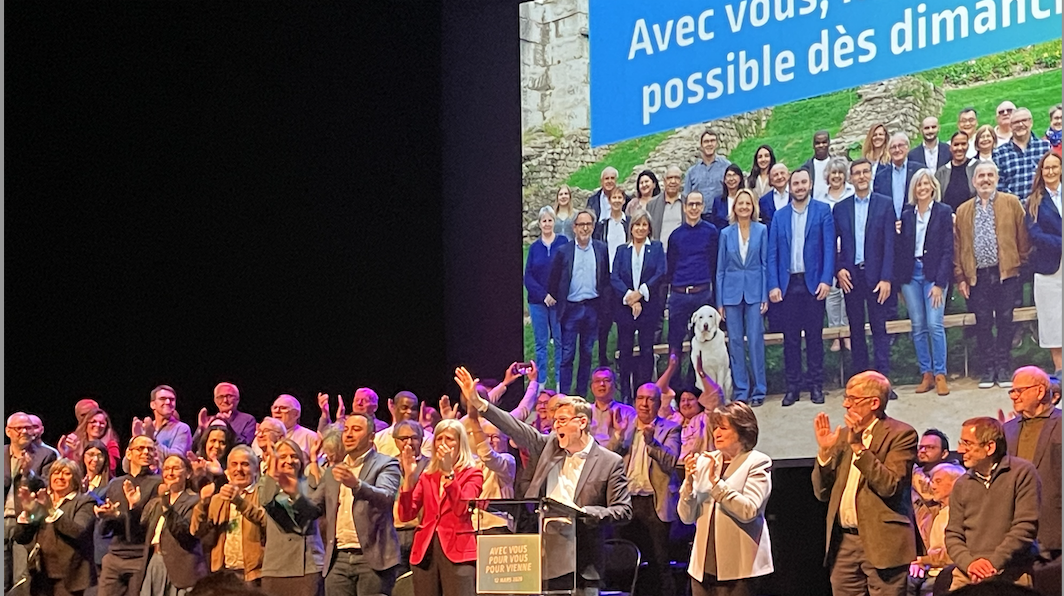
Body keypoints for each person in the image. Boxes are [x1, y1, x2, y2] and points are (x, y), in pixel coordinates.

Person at [458, 366, 632, 596]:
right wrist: (480, 404)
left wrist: (586, 513)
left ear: (581, 422)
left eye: (561, 420)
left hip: (582, 561)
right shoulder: (549, 445)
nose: (555, 425)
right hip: (540, 555)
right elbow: (515, 427)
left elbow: (623, 510)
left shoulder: (610, 462)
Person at [811, 371, 918, 596]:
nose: (845, 404)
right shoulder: (842, 436)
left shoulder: (901, 434)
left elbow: (889, 485)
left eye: (852, 399)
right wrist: (824, 453)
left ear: (874, 403)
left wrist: (859, 447)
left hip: (883, 543)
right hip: (844, 542)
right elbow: (822, 493)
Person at [678, 402, 773, 596]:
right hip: (702, 568)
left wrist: (716, 484)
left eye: (723, 428)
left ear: (742, 430)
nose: (717, 433)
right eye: (715, 428)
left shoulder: (757, 462)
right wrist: (688, 484)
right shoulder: (706, 461)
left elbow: (749, 511)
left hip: (740, 569)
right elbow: (687, 517)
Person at [953, 161, 1031, 389]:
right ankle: (988, 368)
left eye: (990, 175)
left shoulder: (1012, 203)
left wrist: (1020, 266)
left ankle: (1004, 366)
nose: (985, 179)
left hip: (1006, 273)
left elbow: (1023, 238)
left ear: (996, 178)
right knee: (983, 322)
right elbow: (959, 247)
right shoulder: (964, 210)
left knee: (1006, 320)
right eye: (981, 176)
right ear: (974, 180)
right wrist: (960, 277)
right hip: (977, 276)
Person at [312, 413, 402, 596]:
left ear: (371, 437)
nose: (349, 434)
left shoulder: (386, 463)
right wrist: (291, 494)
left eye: (356, 429)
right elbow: (314, 508)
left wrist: (357, 485)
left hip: (372, 559)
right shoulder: (333, 471)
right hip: (338, 559)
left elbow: (386, 496)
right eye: (346, 430)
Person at [946, 417, 1039, 590]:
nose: (960, 450)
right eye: (960, 443)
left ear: (989, 447)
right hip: (968, 575)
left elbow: (1025, 526)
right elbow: (953, 534)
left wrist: (993, 563)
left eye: (967, 443)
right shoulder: (962, 484)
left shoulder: (1022, 473)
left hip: (1012, 573)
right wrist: (970, 564)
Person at [767, 168, 835, 406]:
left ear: (810, 184)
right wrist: (773, 284)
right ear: (790, 186)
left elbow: (829, 249)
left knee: (814, 338)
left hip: (813, 283)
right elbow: (772, 252)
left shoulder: (822, 211)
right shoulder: (779, 216)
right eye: (795, 183)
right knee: (791, 340)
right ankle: (793, 387)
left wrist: (827, 279)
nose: (799, 186)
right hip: (788, 285)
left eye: (803, 182)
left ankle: (816, 385)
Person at [397, 419, 483, 596]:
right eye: (439, 439)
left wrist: (449, 475)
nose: (443, 443)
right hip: (426, 551)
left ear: (461, 443)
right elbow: (406, 515)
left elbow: (461, 509)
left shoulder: (472, 473)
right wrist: (408, 478)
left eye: (450, 439)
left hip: (458, 552)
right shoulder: (428, 475)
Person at [615, 383, 681, 596]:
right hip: (628, 501)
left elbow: (670, 462)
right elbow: (608, 458)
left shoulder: (670, 428)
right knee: (623, 559)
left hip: (655, 501)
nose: (644, 404)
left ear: (658, 402)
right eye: (640, 398)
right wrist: (617, 436)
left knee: (659, 560)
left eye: (650, 399)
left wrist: (652, 442)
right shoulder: (626, 427)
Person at [896, 165, 955, 397]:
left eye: (926, 183)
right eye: (918, 184)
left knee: (934, 323)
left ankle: (940, 374)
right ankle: (926, 373)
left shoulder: (943, 211)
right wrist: (900, 281)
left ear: (933, 187)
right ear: (914, 189)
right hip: (911, 275)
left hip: (934, 275)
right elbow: (901, 250)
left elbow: (947, 251)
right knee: (918, 325)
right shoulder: (907, 215)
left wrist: (940, 284)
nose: (922, 187)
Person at [835, 159, 896, 378]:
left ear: (870, 175)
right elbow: (833, 244)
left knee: (880, 329)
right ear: (850, 178)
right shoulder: (841, 208)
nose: (861, 176)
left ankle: (883, 380)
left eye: (865, 172)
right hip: (851, 277)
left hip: (877, 277)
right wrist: (838, 269)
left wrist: (887, 278)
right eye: (857, 173)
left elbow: (890, 244)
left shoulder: (885, 204)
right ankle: (860, 380)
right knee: (856, 330)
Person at [1002, 367, 1062, 575]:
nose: (1014, 396)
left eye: (1020, 390)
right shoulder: (1006, 430)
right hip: (1014, 535)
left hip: (1055, 531)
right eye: (1012, 391)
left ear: (1039, 391)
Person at [548, 209, 610, 396]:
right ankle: (565, 396)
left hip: (592, 308)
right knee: (567, 355)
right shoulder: (563, 251)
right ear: (574, 228)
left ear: (593, 227)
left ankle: (581, 396)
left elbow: (605, 279)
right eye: (581, 225)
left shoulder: (601, 249)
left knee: (587, 354)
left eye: (588, 224)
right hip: (571, 309)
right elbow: (555, 278)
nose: (585, 228)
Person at [12, 458, 97, 596]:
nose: (60, 477)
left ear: (75, 479)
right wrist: (28, 514)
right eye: (56, 473)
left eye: (66, 473)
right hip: (41, 575)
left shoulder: (85, 502)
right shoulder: (42, 501)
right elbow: (21, 538)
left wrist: (51, 510)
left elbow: (79, 532)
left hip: (69, 577)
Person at [715, 189, 768, 405]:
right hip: (731, 292)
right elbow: (720, 269)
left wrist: (765, 294)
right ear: (734, 207)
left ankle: (759, 389)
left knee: (755, 340)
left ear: (753, 206)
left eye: (748, 203)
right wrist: (720, 302)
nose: (744, 207)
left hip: (755, 291)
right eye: (740, 203)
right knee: (735, 342)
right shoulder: (726, 233)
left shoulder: (762, 230)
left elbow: (765, 264)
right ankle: (741, 390)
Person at [95, 436, 163, 596]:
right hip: (115, 556)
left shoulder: (158, 484)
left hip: (140, 556)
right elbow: (105, 530)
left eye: (150, 449)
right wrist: (106, 516)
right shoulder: (116, 483)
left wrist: (131, 508)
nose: (146, 452)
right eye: (140, 448)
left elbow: (145, 526)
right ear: (129, 453)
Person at [257, 439, 325, 596]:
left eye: (294, 456)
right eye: (283, 457)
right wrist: (272, 476)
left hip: (308, 565)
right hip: (276, 566)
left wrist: (295, 493)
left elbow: (312, 512)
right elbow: (267, 502)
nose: (289, 461)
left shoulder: (310, 483)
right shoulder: (266, 483)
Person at [190, 445, 265, 587]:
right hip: (224, 572)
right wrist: (203, 504)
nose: (239, 469)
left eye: (245, 464)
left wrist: (239, 501)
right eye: (234, 465)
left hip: (255, 573)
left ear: (256, 470)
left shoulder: (263, 494)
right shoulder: (218, 499)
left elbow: (266, 522)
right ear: (228, 471)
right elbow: (197, 531)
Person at [611, 211, 667, 402]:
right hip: (626, 309)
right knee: (625, 351)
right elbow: (615, 277)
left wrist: (641, 293)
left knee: (646, 351)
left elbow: (661, 272)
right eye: (637, 225)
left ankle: (644, 394)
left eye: (644, 225)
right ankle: (626, 393)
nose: (641, 228)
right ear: (631, 228)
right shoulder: (622, 250)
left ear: (649, 228)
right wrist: (630, 297)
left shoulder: (657, 248)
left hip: (648, 307)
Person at [137, 454, 208, 596]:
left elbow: (184, 533)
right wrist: (134, 507)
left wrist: (166, 504)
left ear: (188, 473)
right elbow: (139, 531)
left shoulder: (194, 501)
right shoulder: (156, 503)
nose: (170, 473)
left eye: (175, 468)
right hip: (155, 562)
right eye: (167, 469)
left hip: (180, 566)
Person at [666, 191, 719, 377]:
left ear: (703, 207)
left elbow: (714, 264)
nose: (694, 208)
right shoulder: (675, 236)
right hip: (679, 295)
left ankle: (695, 386)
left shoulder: (711, 232)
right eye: (691, 204)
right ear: (685, 207)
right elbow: (670, 267)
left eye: (698, 204)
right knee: (675, 344)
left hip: (702, 294)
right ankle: (674, 388)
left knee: (701, 344)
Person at [6, 412, 61, 592]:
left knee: (21, 580)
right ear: (8, 431)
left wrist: (28, 473)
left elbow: (48, 487)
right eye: (18, 428)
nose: (24, 431)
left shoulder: (46, 455)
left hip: (28, 523)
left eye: (28, 427)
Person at [1025, 152, 1063, 375]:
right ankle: (1060, 369)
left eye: (1054, 167)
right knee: (1051, 318)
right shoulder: (1034, 201)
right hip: (1048, 266)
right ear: (1041, 171)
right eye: (1046, 168)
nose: (1050, 172)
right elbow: (1035, 234)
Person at [816, 156, 856, 353]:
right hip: (828, 250)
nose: (837, 176)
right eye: (833, 173)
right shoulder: (821, 198)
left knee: (847, 291)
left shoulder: (852, 193)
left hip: (849, 250)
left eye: (840, 173)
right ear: (827, 176)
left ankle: (847, 333)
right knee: (832, 294)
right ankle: (835, 334)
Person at [908, 463, 966, 596]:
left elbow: (954, 553)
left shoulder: (963, 515)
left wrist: (924, 560)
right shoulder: (934, 513)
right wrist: (920, 562)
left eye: (938, 481)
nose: (933, 486)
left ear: (956, 483)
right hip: (930, 571)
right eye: (932, 481)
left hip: (949, 573)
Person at [462, 407, 516, 535]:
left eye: (495, 437)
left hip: (498, 524)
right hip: (472, 525)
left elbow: (489, 457)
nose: (490, 441)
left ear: (505, 440)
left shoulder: (508, 461)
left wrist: (474, 421)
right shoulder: (471, 463)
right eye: (486, 437)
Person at [593, 186, 629, 366]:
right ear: (609, 201)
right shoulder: (602, 225)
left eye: (619, 197)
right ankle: (602, 356)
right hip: (606, 276)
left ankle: (623, 352)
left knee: (623, 316)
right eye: (613, 197)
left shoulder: (628, 223)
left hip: (624, 276)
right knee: (605, 318)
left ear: (623, 200)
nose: (616, 200)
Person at [994, 107, 1052, 197]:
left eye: (1024, 120)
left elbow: (1052, 177)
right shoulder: (1000, 153)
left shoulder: (1045, 147)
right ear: (1010, 126)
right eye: (1016, 122)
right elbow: (999, 185)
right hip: (1012, 207)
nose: (1020, 124)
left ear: (1031, 122)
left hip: (1041, 205)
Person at [912, 429, 953, 549]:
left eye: (930, 447)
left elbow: (929, 493)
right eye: (921, 447)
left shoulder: (952, 473)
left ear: (944, 453)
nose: (923, 451)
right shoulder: (918, 472)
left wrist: (910, 467)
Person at [132, 386, 192, 461]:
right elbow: (126, 465)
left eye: (172, 399)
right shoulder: (145, 428)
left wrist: (152, 439)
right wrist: (136, 440)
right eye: (162, 399)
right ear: (153, 405)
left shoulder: (182, 428)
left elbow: (176, 458)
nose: (168, 402)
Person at [59, 407, 121, 476]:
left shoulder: (111, 445)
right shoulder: (76, 443)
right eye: (93, 421)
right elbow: (68, 469)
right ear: (86, 424)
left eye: (102, 423)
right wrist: (63, 454)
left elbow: (111, 468)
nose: (97, 425)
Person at [586, 367, 637, 450]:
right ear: (591, 387)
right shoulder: (586, 411)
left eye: (606, 380)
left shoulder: (628, 412)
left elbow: (627, 444)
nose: (602, 384)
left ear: (615, 385)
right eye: (597, 381)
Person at [874, 132, 923, 219]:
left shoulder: (919, 170)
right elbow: (878, 204)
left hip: (914, 222)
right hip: (889, 223)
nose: (897, 150)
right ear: (889, 151)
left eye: (900, 145)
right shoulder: (880, 176)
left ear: (907, 148)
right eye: (893, 147)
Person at [193, 383, 257, 447]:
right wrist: (202, 430)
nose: (225, 400)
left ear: (237, 399)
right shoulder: (210, 421)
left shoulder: (248, 419)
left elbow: (245, 445)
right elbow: (193, 447)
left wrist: (227, 426)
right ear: (215, 400)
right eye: (220, 397)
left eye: (229, 396)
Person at [684, 129, 732, 200]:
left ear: (717, 144)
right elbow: (686, 197)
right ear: (701, 145)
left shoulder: (726, 166)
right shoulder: (692, 172)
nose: (709, 144)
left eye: (712, 141)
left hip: (721, 210)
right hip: (699, 210)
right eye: (706, 141)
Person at [936, 131, 977, 212]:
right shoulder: (941, 172)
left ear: (968, 146)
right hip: (948, 219)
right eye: (956, 145)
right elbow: (937, 200)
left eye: (963, 144)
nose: (960, 148)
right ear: (950, 147)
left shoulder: (977, 167)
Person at [645, 165, 685, 248]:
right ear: (664, 181)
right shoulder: (652, 204)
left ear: (681, 181)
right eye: (670, 178)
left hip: (681, 252)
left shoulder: (687, 203)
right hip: (659, 253)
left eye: (677, 178)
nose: (673, 181)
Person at [705, 164, 744, 231]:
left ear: (740, 178)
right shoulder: (718, 201)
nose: (731, 179)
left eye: (734, 175)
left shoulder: (746, 199)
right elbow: (714, 224)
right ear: (725, 180)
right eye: (729, 175)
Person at [802, 130, 832, 199]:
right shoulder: (806, 168)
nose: (821, 145)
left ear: (829, 143)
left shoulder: (837, 165)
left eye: (824, 142)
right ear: (813, 145)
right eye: (817, 143)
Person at [758, 163, 790, 229]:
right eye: (775, 175)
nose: (779, 177)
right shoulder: (763, 201)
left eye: (782, 173)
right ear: (771, 180)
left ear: (788, 175)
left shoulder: (797, 196)